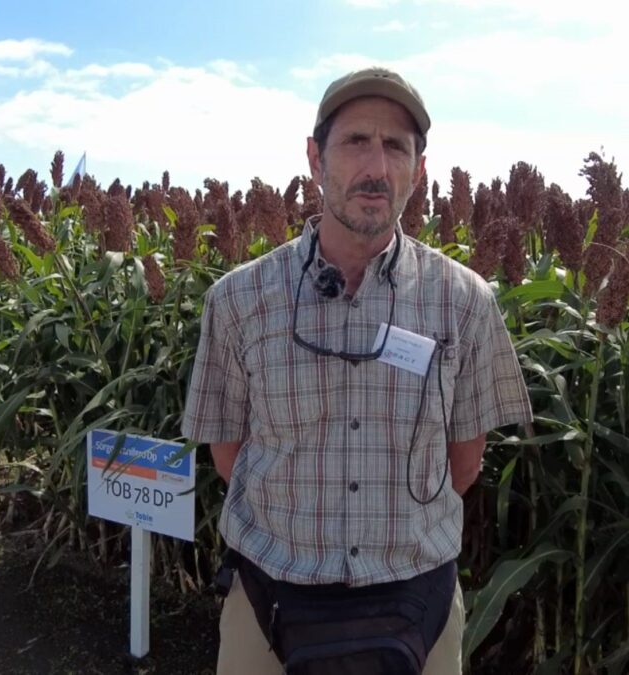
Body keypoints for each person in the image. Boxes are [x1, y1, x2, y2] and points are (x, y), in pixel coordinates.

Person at [182, 67, 532, 675]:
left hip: (415, 606)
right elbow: (228, 454)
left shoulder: (463, 302)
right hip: (269, 601)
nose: (376, 166)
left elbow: (464, 463)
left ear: (418, 171)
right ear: (315, 158)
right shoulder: (238, 300)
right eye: (356, 142)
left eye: (396, 146)